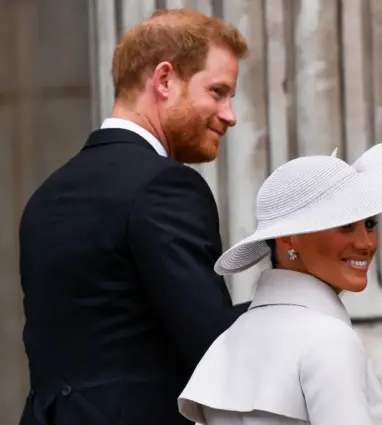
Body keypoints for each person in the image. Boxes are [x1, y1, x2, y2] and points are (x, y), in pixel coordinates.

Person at [18, 8, 250, 425]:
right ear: (164, 80)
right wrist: (297, 288)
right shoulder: (165, 186)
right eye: (217, 92)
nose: (229, 114)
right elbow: (214, 345)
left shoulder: (45, 197)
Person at [178, 143, 382, 425]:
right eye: (344, 225)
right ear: (288, 237)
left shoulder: (230, 339)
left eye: (370, 224)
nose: (366, 243)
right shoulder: (328, 339)